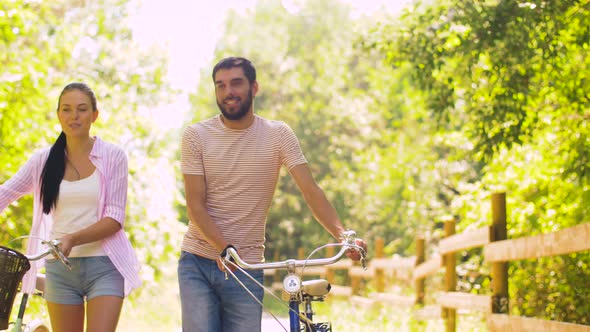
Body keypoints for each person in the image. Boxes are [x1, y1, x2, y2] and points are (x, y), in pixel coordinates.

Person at [179, 56, 367, 332]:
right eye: (220, 85)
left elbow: (310, 190)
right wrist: (225, 248)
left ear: (254, 88)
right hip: (198, 263)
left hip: (248, 266)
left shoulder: (278, 135)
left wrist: (343, 235)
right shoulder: (196, 135)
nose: (228, 91)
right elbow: (195, 206)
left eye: (236, 83)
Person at [0, 82, 141, 332]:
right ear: (58, 115)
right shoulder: (42, 161)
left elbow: (115, 218)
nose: (73, 116)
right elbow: (6, 193)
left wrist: (73, 238)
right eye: (66, 109)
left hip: (104, 266)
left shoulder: (113, 156)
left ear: (94, 115)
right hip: (60, 270)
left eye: (82, 109)